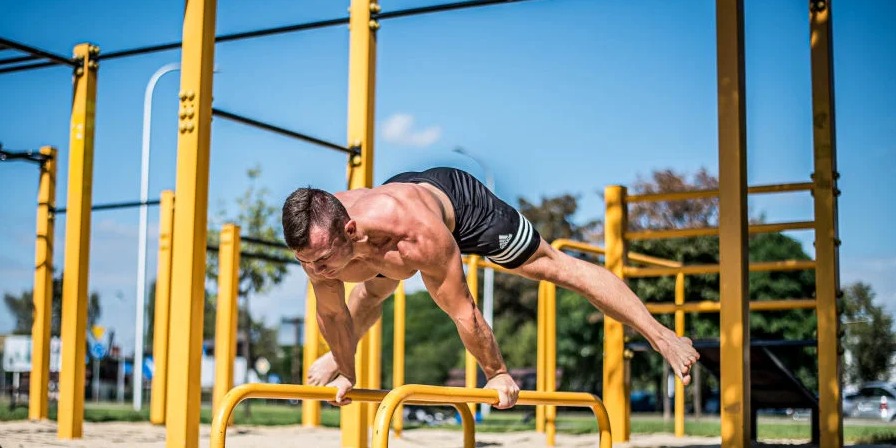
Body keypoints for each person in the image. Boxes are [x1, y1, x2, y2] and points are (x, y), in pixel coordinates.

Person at [281, 167, 699, 409]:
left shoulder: (417, 236)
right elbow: (334, 313)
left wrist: (496, 375)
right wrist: (347, 370)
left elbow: (465, 313)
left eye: (320, 261)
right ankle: (339, 358)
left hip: (462, 208)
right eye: (305, 261)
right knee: (370, 292)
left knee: (555, 268)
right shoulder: (318, 242)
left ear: (350, 231)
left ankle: (663, 337)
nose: (315, 270)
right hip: (391, 213)